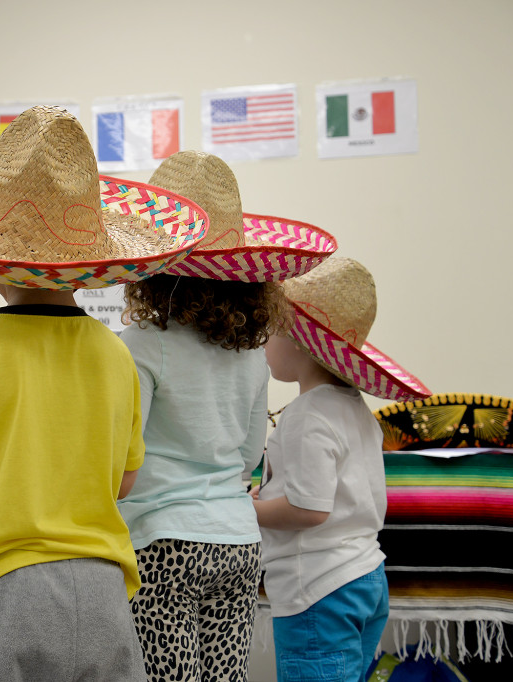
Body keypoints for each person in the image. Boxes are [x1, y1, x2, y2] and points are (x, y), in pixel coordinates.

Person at [0, 105, 207, 680]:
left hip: (2, 590)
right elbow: (124, 482)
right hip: (104, 591)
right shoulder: (115, 352)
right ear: (87, 265)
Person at [116, 150, 336, 682]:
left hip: (162, 541)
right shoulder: (250, 355)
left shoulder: (139, 347)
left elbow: (124, 455)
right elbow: (247, 457)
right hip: (237, 541)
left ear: (152, 269)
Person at [251, 256, 431, 682]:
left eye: (274, 330)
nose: (265, 341)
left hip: (319, 588)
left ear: (299, 342)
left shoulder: (307, 416)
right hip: (366, 576)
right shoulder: (355, 410)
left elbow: (309, 509)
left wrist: (248, 510)